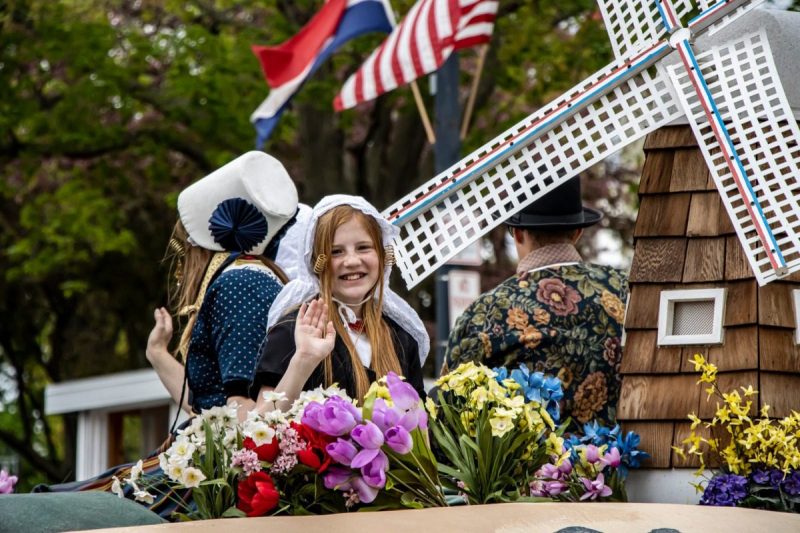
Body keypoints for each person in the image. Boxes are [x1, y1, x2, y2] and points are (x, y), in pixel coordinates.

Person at [34, 151, 299, 518]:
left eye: (181, 247)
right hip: (209, 459)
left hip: (213, 479)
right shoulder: (246, 278)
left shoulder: (241, 283)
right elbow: (208, 408)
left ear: (200, 244)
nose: (179, 265)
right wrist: (159, 354)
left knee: (60, 510)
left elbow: (245, 411)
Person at [444, 178, 628, 427]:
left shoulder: (486, 312)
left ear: (518, 233)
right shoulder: (625, 291)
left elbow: (449, 408)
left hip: (527, 466)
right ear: (577, 232)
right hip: (625, 461)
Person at [251, 195, 430, 411]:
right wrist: (303, 360)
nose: (352, 261)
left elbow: (421, 430)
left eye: (363, 247)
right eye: (336, 252)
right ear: (318, 263)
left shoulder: (401, 338)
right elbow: (260, 427)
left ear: (383, 256)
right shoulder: (295, 329)